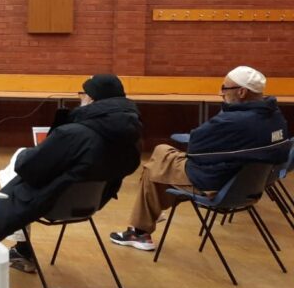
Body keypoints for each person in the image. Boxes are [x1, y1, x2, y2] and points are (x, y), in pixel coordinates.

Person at [111, 66, 289, 251]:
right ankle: (148, 216)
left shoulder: (231, 121)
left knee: (154, 166)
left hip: (217, 182)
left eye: (225, 88)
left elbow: (195, 148)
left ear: (242, 92)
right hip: (248, 184)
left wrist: (226, 112)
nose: (221, 93)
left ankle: (140, 232)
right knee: (161, 157)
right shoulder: (275, 116)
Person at [0, 74, 142, 273]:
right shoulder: (132, 136)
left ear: (91, 98)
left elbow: (28, 168)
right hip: (91, 202)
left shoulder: (74, 134)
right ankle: (21, 249)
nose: (80, 98)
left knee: (16, 163)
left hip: (53, 202)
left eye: (83, 94)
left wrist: (26, 154)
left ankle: (22, 249)